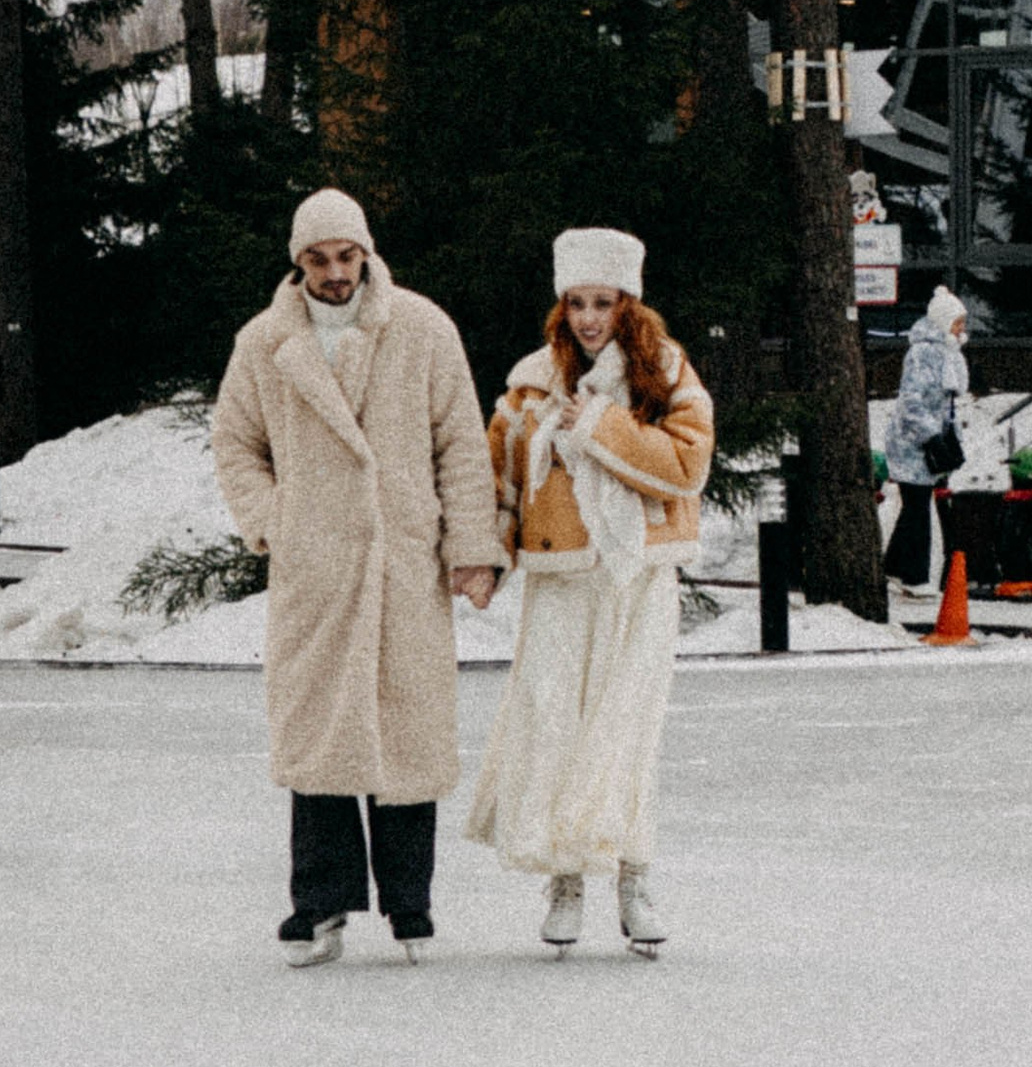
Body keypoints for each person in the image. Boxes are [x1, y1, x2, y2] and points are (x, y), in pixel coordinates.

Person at [209, 188, 505, 965]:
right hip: (317, 568)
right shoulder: (264, 343)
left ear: (367, 253)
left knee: (406, 731)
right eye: (319, 259)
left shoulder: (422, 328)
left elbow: (462, 447)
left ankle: (410, 905)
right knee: (320, 734)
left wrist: (469, 545)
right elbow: (235, 443)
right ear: (297, 262)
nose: (336, 273)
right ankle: (319, 904)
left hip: (402, 559)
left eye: (347, 257)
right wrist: (277, 519)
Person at [467, 225, 713, 954]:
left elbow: (688, 466)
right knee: (554, 725)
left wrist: (601, 426)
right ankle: (565, 880)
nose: (588, 317)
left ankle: (634, 878)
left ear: (628, 303)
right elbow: (501, 481)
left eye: (602, 301)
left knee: (628, 728)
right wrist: (485, 558)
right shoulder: (531, 382)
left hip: (637, 575)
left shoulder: (666, 373)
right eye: (576, 301)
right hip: (561, 581)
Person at [881, 285, 969, 590]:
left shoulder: (946, 354)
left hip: (924, 442)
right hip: (912, 443)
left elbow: (944, 405)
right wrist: (933, 437)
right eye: (957, 322)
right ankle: (913, 576)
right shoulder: (924, 354)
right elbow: (912, 402)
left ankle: (894, 567)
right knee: (917, 508)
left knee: (914, 507)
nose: (962, 329)